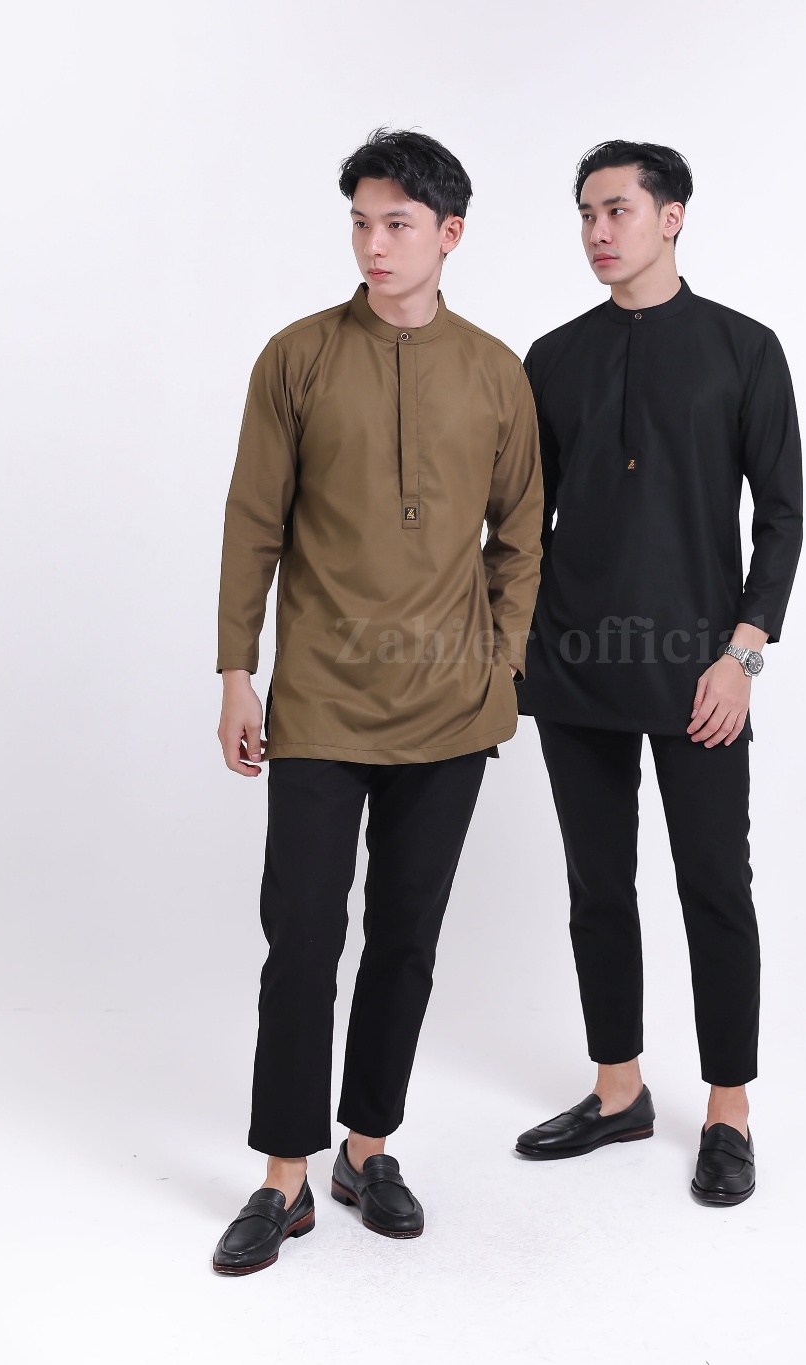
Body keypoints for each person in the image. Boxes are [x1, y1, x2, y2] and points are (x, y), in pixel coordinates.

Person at [211, 128, 543, 1274]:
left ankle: (368, 1149)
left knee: (406, 940)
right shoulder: (297, 357)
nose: (373, 244)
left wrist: (501, 663)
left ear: (450, 234)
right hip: (318, 700)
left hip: (452, 711)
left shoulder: (495, 371)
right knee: (302, 941)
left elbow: (522, 532)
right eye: (360, 222)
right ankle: (284, 1177)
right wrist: (236, 669)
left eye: (397, 223)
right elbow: (252, 520)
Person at [513, 140, 803, 1205]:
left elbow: (781, 517)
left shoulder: (743, 348)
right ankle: (619, 1088)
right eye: (585, 214)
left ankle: (727, 1109)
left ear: (671, 216)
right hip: (574, 663)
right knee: (598, 886)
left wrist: (742, 654)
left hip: (700, 672)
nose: (598, 231)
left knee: (714, 884)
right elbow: (522, 521)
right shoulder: (552, 357)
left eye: (618, 210)